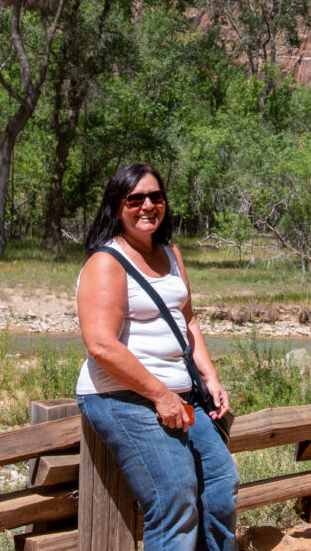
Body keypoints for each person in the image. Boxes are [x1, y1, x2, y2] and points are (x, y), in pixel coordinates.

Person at [75, 163, 239, 551]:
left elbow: (187, 319)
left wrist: (210, 377)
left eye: (156, 197)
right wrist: (160, 395)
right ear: (117, 206)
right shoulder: (106, 263)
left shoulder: (170, 252)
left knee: (220, 483)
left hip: (181, 397)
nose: (148, 205)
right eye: (136, 198)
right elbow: (101, 345)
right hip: (122, 397)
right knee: (173, 496)